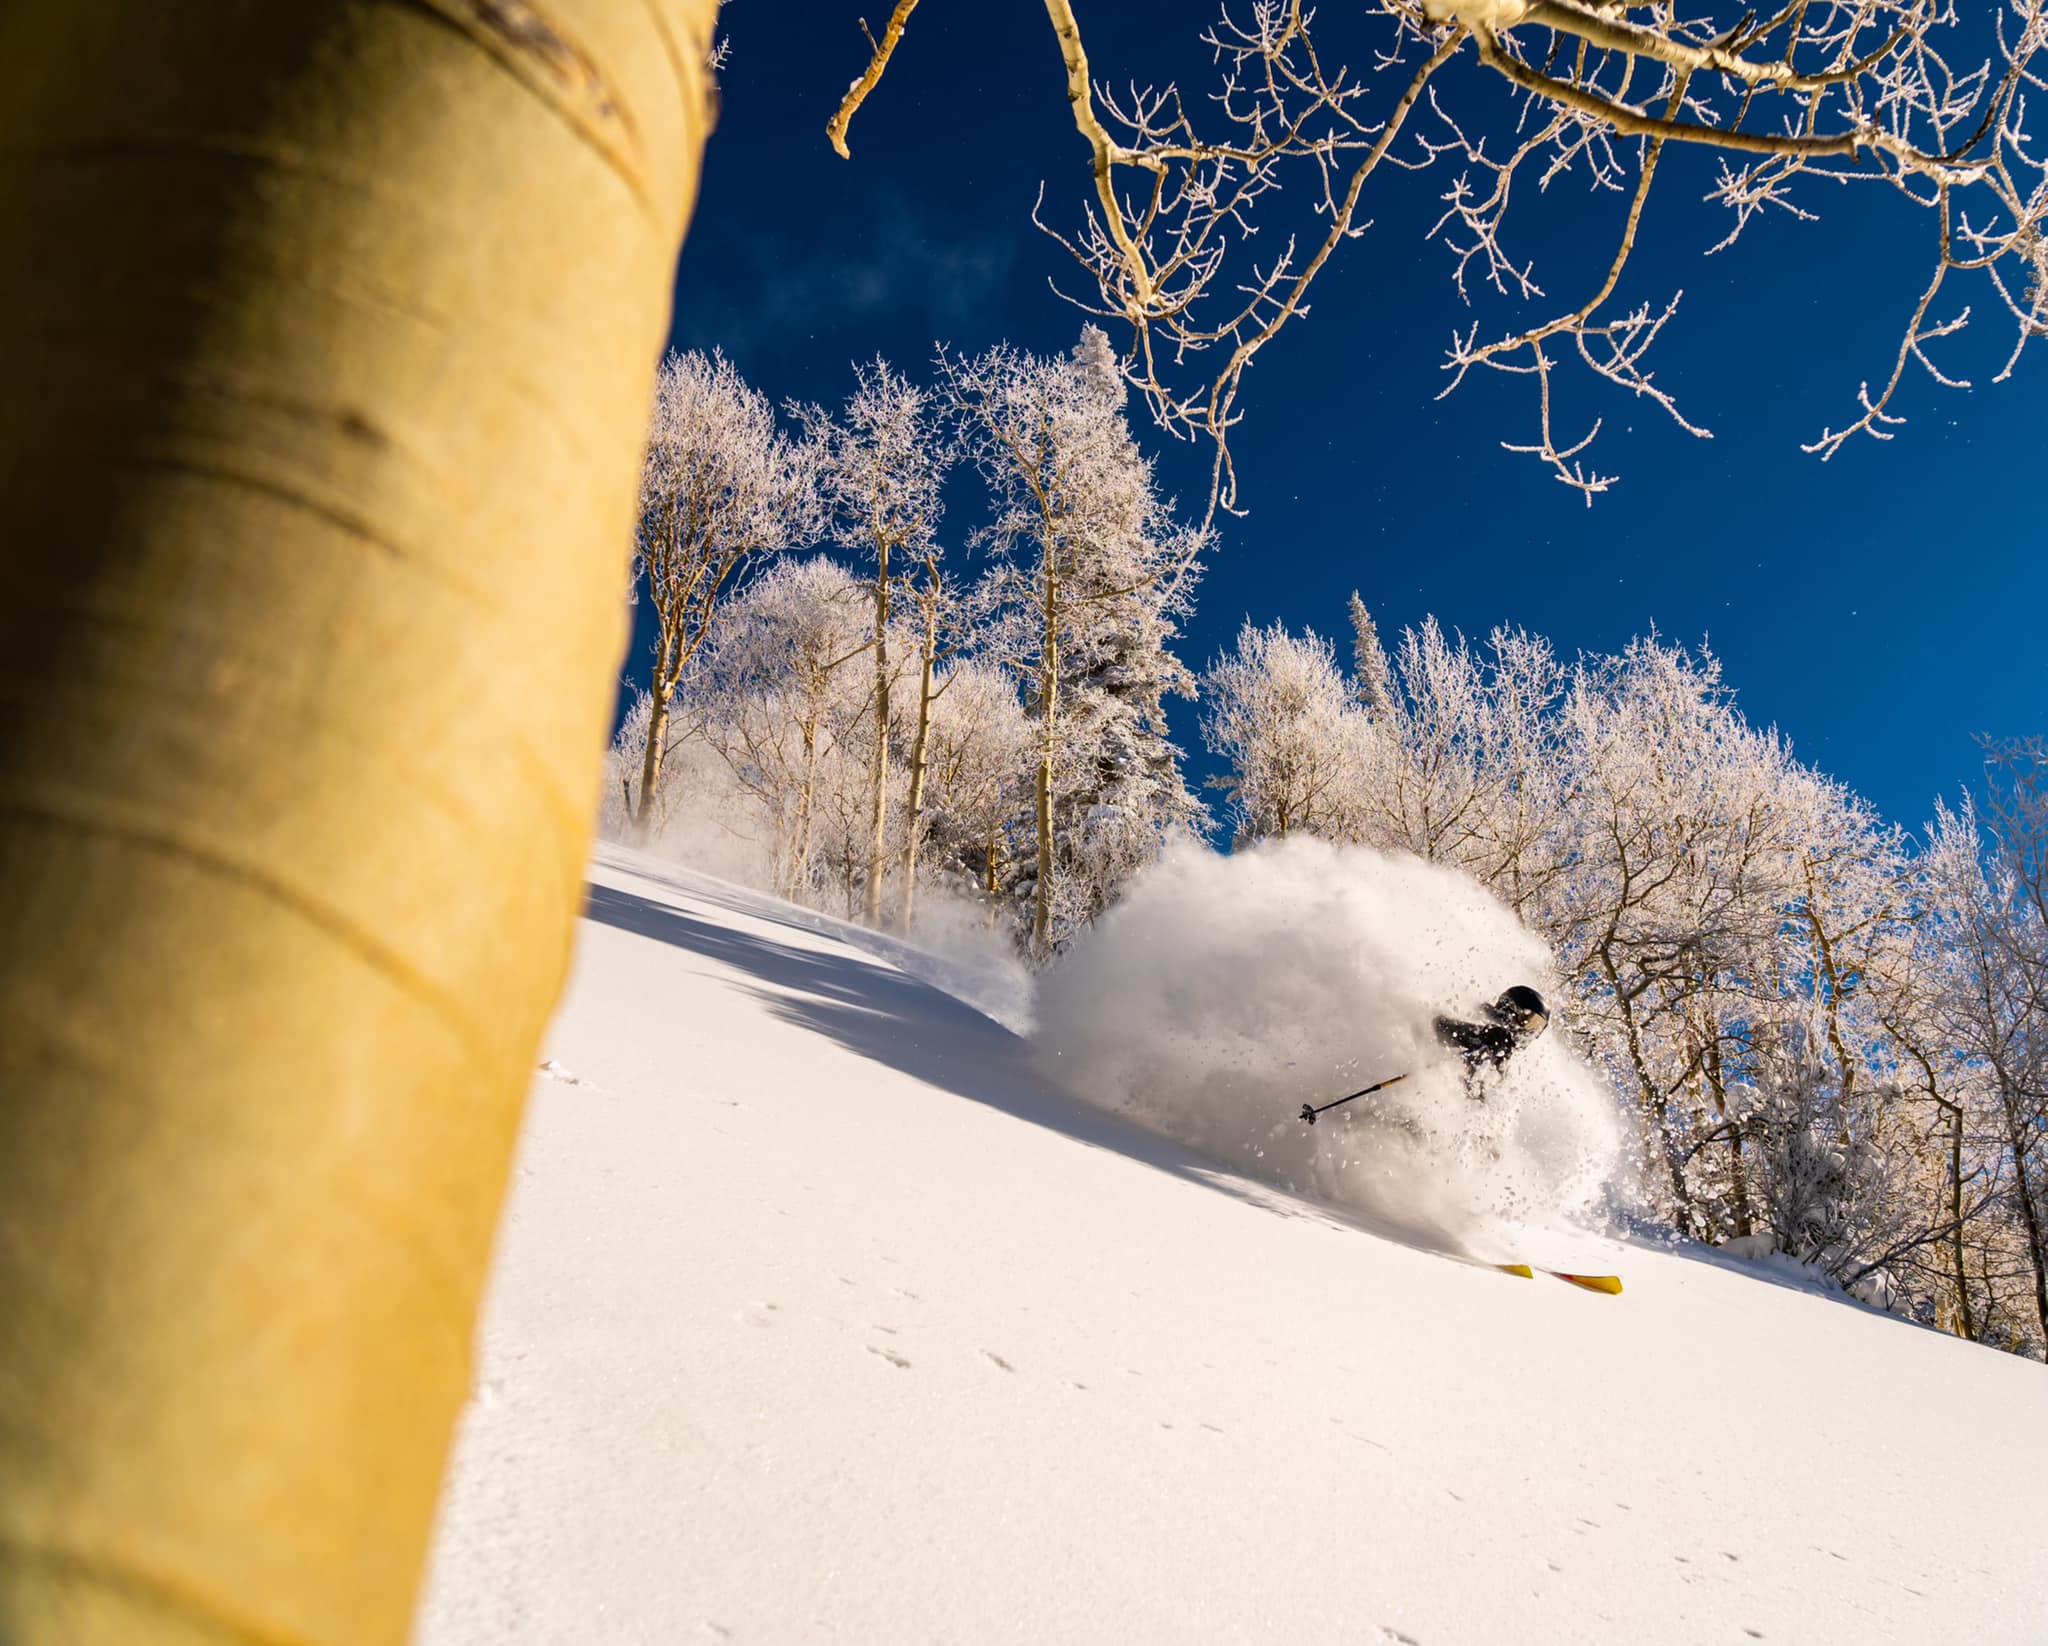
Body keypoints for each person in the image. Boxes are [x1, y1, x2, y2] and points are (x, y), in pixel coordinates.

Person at [1434, 985, 1550, 1094]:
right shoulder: (1482, 1021)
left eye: (1538, 1026)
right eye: (1529, 1021)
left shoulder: (1506, 1059)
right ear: (1511, 1008)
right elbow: (1441, 1025)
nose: (1530, 1031)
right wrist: (1482, 1038)